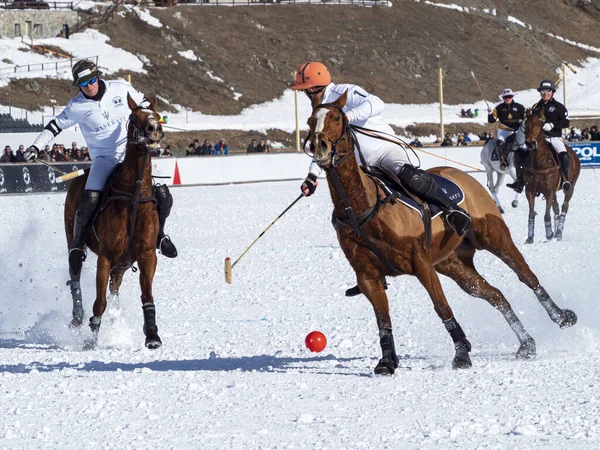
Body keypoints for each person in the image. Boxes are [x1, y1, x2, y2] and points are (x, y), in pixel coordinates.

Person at [23, 60, 178, 276]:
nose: (89, 86)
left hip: (132, 154)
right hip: (104, 159)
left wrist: (151, 125)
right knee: (89, 199)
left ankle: (160, 236)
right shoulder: (76, 106)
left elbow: (144, 106)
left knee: (162, 193)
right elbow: (54, 127)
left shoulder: (120, 88)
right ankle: (77, 246)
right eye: (83, 83)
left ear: (98, 76)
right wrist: (35, 146)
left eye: (92, 80)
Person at [290, 61, 470, 236]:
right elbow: (323, 148)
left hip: (385, 150)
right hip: (359, 165)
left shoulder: (345, 91)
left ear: (311, 88)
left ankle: (453, 211)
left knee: (412, 178)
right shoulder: (319, 111)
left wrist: (348, 116)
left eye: (303, 89)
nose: (304, 93)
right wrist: (312, 176)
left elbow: (376, 103)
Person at [487, 88, 526, 171]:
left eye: (509, 96)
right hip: (504, 130)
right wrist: (490, 113)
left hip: (517, 130)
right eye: (505, 97)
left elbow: (525, 118)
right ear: (503, 98)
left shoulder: (519, 107)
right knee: (500, 142)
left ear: (512, 97)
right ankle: (503, 161)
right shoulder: (499, 108)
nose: (508, 98)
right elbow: (492, 120)